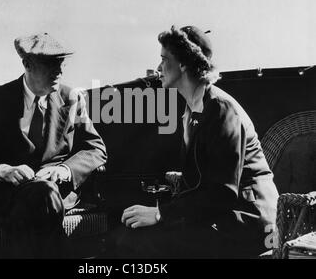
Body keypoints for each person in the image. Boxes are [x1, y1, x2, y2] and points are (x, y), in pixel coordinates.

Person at [115, 25, 279, 258]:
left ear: (183, 63)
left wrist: (160, 214)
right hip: (222, 218)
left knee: (142, 242)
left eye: (164, 59)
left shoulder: (221, 110)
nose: (159, 67)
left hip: (249, 222)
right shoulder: (194, 110)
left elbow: (223, 192)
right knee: (130, 234)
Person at [0, 32, 107, 258]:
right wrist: (2, 169)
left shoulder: (72, 98)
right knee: (41, 202)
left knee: (43, 197)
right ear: (26, 64)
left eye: (61, 64)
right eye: (50, 64)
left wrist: (64, 170)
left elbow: (96, 148)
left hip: (57, 193)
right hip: (10, 196)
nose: (59, 71)